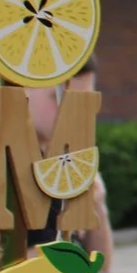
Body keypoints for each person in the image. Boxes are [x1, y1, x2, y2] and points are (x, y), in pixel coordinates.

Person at [27, 59, 113, 260]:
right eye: (57, 99)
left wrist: (98, 208)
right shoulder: (6, 166)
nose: (71, 114)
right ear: (25, 91)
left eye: (83, 103)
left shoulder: (71, 159)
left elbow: (101, 269)